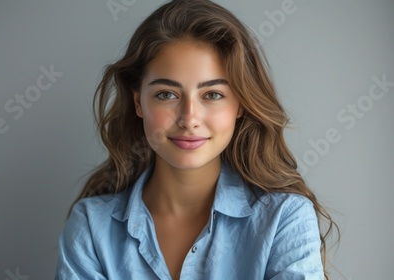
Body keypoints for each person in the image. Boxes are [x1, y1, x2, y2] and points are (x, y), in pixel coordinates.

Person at [55, 0, 338, 279]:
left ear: (240, 104)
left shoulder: (284, 219)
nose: (189, 118)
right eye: (167, 94)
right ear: (139, 102)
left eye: (212, 95)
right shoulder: (91, 227)